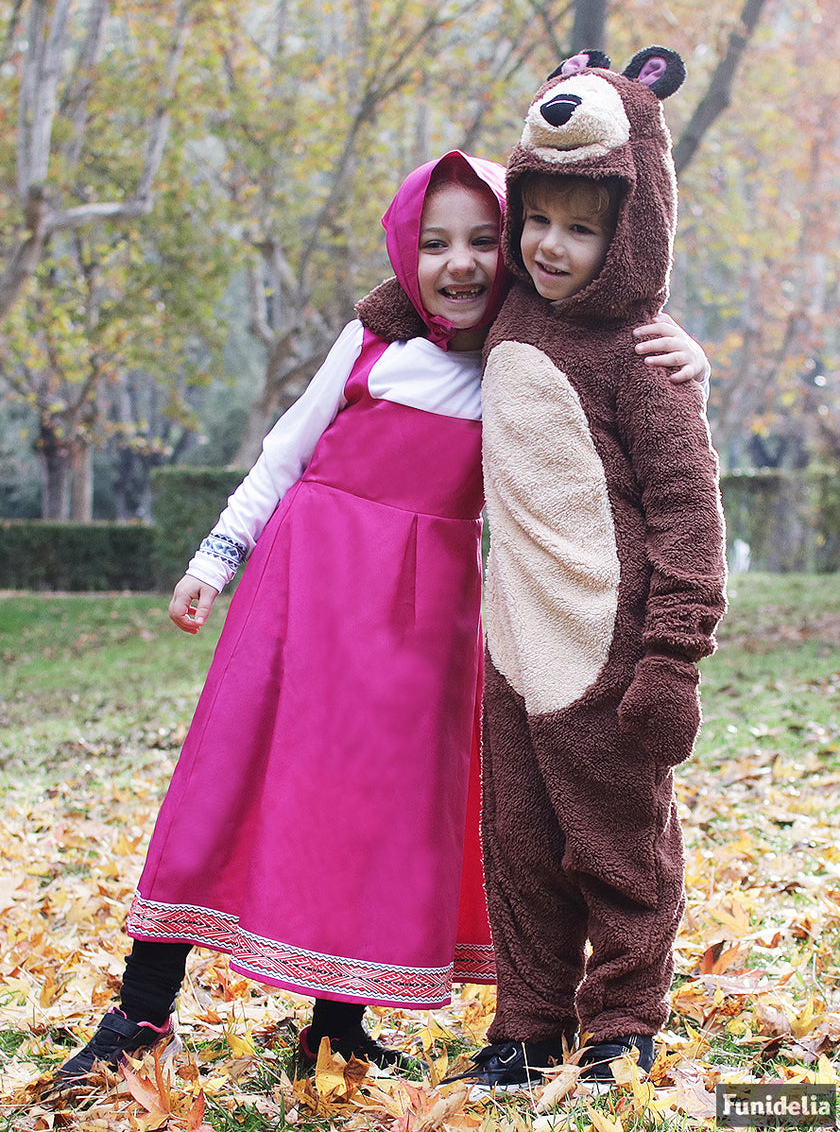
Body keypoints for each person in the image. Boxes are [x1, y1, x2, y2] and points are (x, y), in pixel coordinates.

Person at [53, 147, 710, 1086]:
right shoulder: (373, 342)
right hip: (304, 593)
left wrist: (693, 356)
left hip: (423, 620)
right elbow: (285, 453)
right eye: (435, 242)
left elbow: (626, 392)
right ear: (407, 250)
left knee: (384, 802)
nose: (461, 263)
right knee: (226, 782)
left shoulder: (522, 359)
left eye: (484, 240)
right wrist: (215, 558)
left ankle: (337, 1023)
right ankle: (141, 1012)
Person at [452, 48, 728, 1091]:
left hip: (612, 647)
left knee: (617, 847)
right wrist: (385, 315)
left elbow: (689, 517)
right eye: (540, 219)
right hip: (517, 644)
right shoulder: (512, 316)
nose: (552, 246)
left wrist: (673, 659)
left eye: (584, 225)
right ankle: (527, 1021)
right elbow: (438, 284)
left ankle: (623, 1019)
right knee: (520, 844)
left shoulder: (645, 358)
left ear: (631, 229)